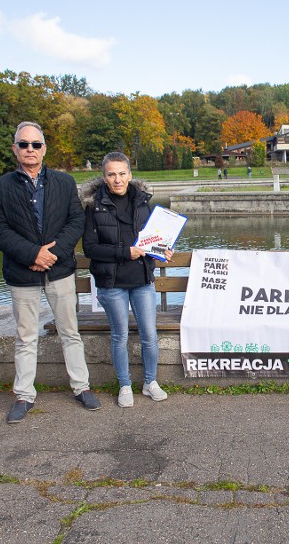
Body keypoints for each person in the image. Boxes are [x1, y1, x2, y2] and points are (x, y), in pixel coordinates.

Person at [0, 121, 100, 424]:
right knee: (25, 336)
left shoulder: (64, 183)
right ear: (15, 149)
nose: (30, 149)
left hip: (59, 271)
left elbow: (75, 222)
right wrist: (32, 254)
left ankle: (81, 386)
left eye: (36, 144)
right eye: (24, 144)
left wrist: (51, 255)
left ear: (44, 148)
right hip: (22, 274)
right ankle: (24, 394)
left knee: (70, 332)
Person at [81, 152, 173, 407]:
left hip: (142, 279)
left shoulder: (144, 203)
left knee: (149, 335)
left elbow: (153, 240)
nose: (117, 179)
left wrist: (164, 250)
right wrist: (124, 252)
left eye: (122, 173)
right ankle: (124, 385)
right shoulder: (94, 206)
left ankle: (150, 381)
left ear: (130, 175)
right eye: (111, 174)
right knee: (120, 336)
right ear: (104, 177)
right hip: (111, 283)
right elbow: (89, 248)